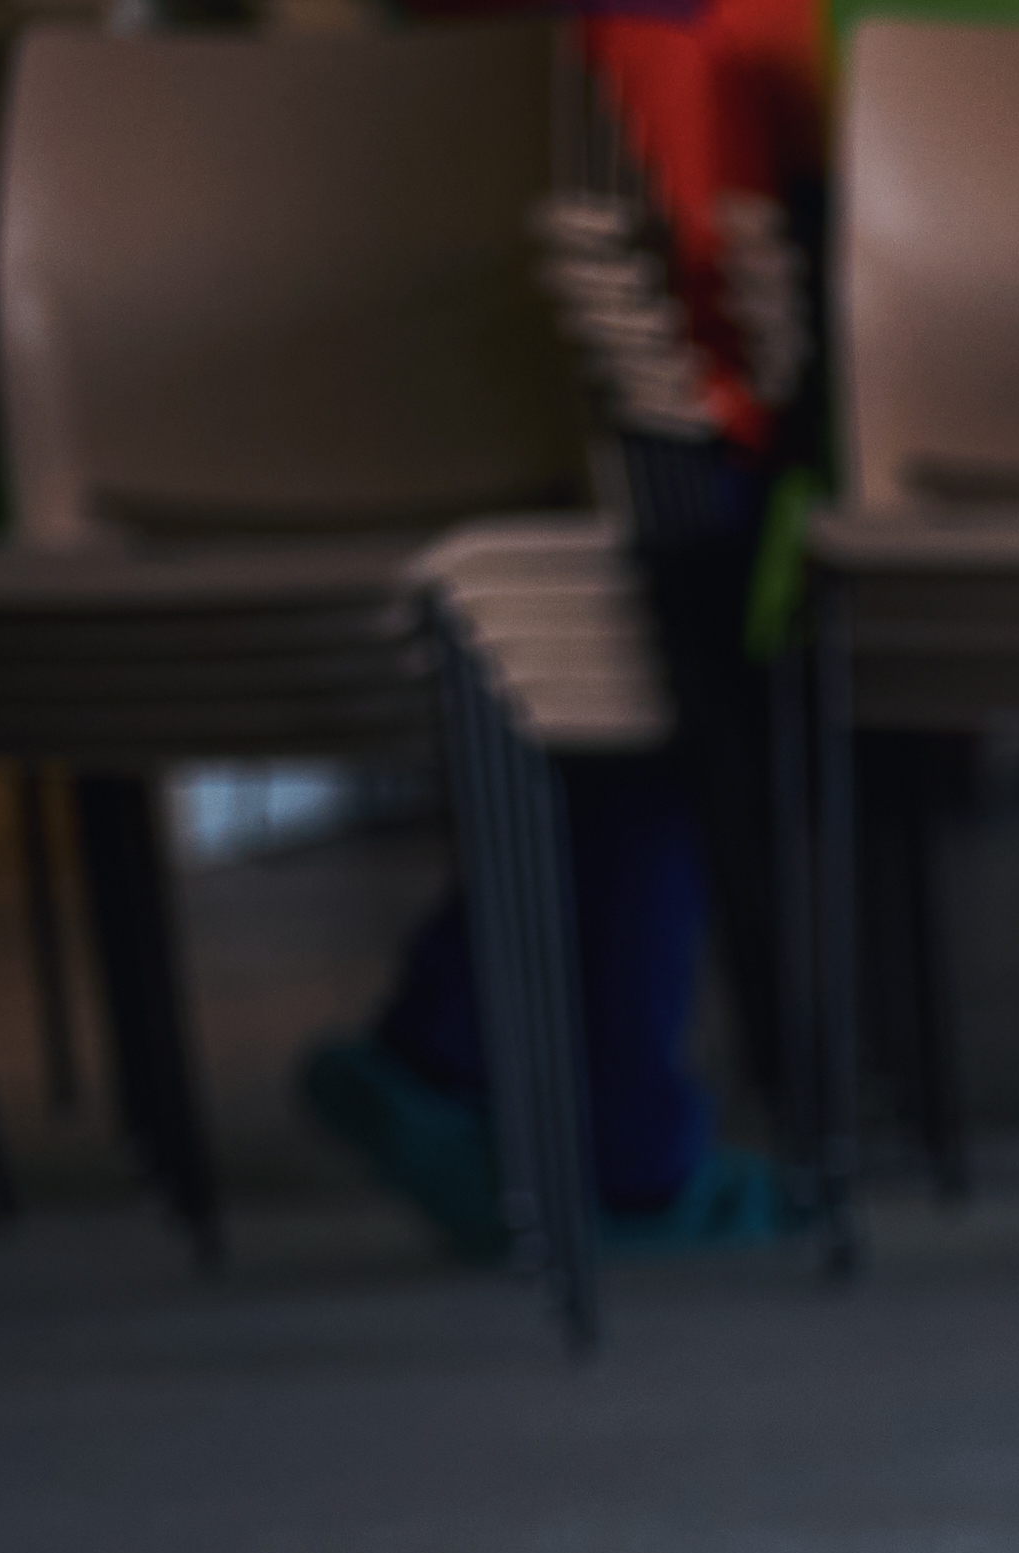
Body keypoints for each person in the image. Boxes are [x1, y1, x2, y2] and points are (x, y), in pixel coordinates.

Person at [302, 0, 815, 1258]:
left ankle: (454, 1041)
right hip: (665, 335)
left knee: (612, 711)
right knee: (664, 718)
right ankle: (619, 1148)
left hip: (471, 328)